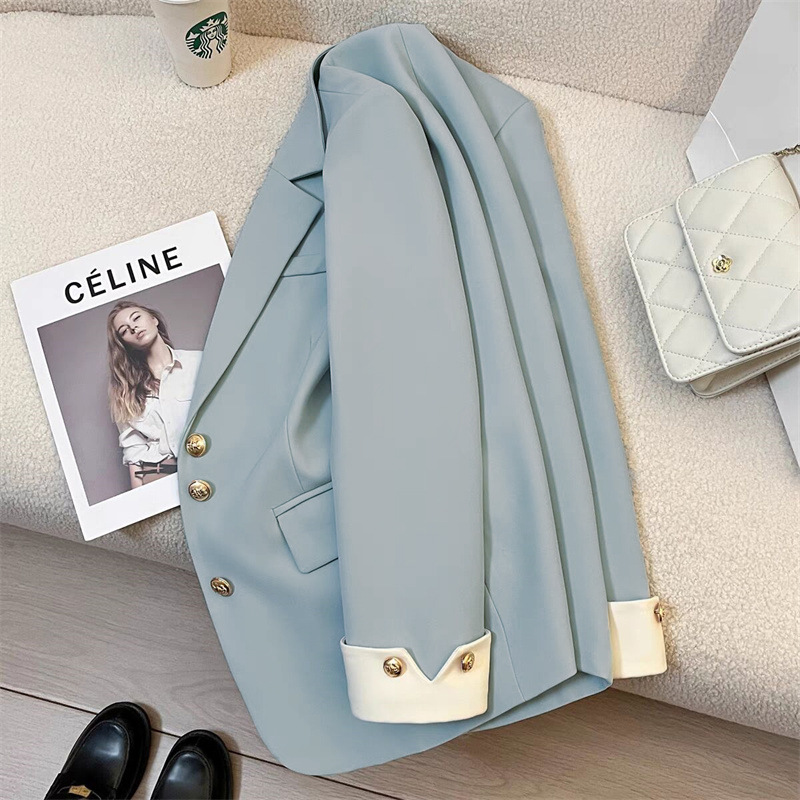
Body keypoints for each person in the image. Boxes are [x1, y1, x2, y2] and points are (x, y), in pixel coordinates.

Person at [107, 300, 202, 489]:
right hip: (159, 471)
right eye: (124, 331)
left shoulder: (198, 361)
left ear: (154, 319)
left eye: (136, 318)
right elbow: (133, 448)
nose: (133, 327)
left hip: (204, 458)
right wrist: (139, 498)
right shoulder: (125, 389)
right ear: (124, 343)